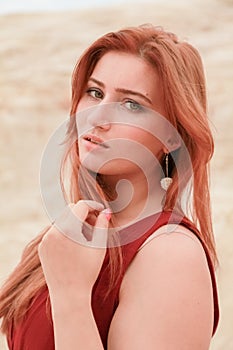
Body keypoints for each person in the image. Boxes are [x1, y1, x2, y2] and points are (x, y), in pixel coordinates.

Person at [0, 24, 219, 349]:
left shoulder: (171, 256)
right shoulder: (77, 232)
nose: (98, 117)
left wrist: (71, 296)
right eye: (95, 92)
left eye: (132, 105)